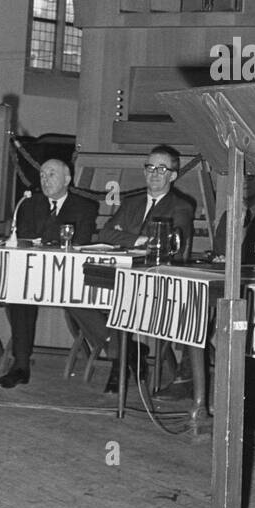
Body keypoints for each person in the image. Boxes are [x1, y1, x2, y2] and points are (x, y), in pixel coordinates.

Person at [67, 145, 195, 393]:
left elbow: (169, 245)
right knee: (74, 297)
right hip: (118, 274)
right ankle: (129, 352)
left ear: (173, 175)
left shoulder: (181, 206)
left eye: (162, 168)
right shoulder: (132, 203)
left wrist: (125, 236)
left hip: (153, 281)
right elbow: (105, 233)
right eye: (150, 167)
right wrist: (139, 240)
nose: (154, 173)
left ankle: (119, 362)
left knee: (120, 300)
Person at [0, 158, 98, 388]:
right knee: (18, 294)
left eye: (51, 174)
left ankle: (117, 357)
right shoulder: (30, 204)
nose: (45, 179)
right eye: (42, 175)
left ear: (68, 179)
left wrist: (44, 239)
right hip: (35, 274)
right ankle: (20, 364)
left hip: (67, 278)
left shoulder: (85, 207)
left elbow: (78, 242)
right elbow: (25, 238)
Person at [211, 172, 255, 266]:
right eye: (240, 177)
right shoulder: (228, 216)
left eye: (249, 177)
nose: (244, 182)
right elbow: (218, 252)